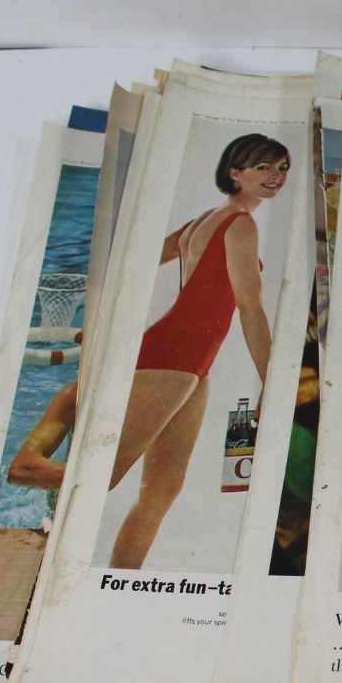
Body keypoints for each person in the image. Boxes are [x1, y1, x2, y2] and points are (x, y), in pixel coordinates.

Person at [105, 133, 287, 567]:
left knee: (162, 489)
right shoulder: (240, 224)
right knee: (104, 475)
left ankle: (121, 580)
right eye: (262, 167)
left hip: (191, 365)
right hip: (174, 358)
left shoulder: (207, 218)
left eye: (282, 168)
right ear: (235, 172)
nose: (275, 176)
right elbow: (249, 307)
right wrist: (274, 381)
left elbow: (137, 257)